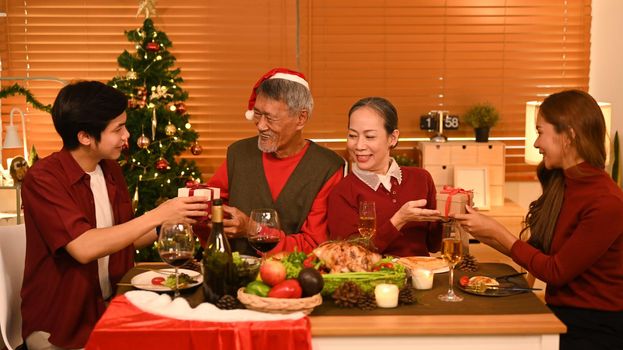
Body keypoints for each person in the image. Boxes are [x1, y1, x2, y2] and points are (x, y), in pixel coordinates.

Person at [20, 81, 209, 349]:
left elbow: (123, 237)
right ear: (85, 137)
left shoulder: (108, 169)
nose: (127, 136)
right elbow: (84, 247)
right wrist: (157, 214)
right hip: (61, 326)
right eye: (117, 129)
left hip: (109, 308)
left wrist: (167, 223)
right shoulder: (43, 178)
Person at [454, 90, 623, 350]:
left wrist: (498, 232)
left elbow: (555, 272)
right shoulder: (564, 183)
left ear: (568, 136)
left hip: (595, 328)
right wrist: (481, 228)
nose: (536, 143)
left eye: (540, 131)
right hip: (561, 317)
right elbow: (535, 253)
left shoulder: (606, 201)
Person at [207, 68, 344, 255]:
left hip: (296, 280)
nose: (261, 125)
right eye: (257, 114)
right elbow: (210, 215)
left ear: (300, 118)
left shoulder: (328, 168)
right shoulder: (238, 154)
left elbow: (315, 246)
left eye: (270, 118)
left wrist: (253, 230)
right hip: (236, 276)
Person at [327, 97, 441, 256]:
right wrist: (398, 220)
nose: (359, 146)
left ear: (392, 138)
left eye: (370, 136)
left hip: (421, 277)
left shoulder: (421, 178)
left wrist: (451, 217)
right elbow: (349, 255)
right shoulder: (342, 192)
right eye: (353, 135)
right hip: (375, 279)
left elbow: (433, 245)